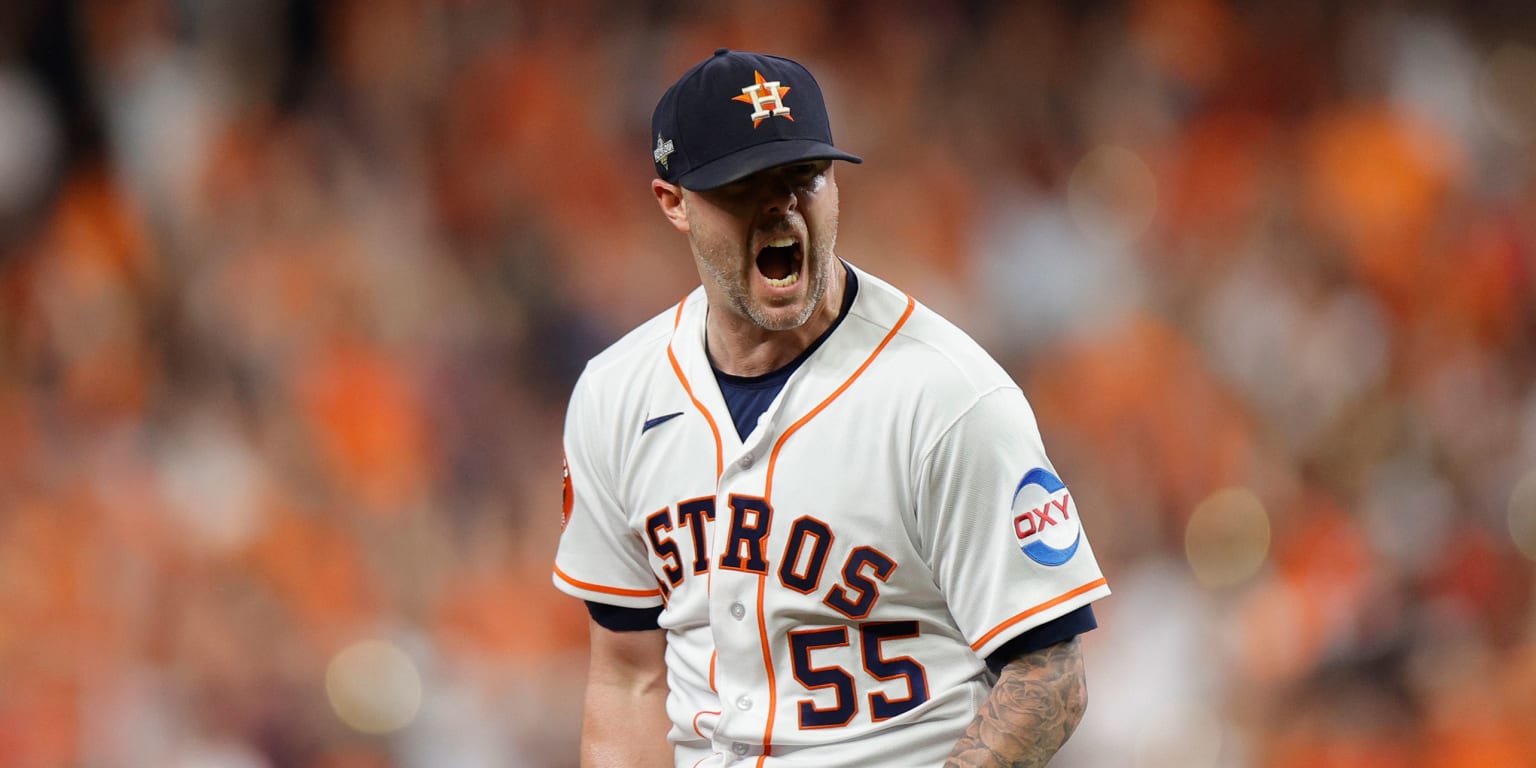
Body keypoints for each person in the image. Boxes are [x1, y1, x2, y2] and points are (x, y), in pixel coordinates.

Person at [552, 48, 1110, 768]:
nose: (781, 207)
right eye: (743, 185)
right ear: (674, 203)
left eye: (803, 178)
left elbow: (1050, 677)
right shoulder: (616, 393)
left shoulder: (948, 398)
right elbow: (628, 679)